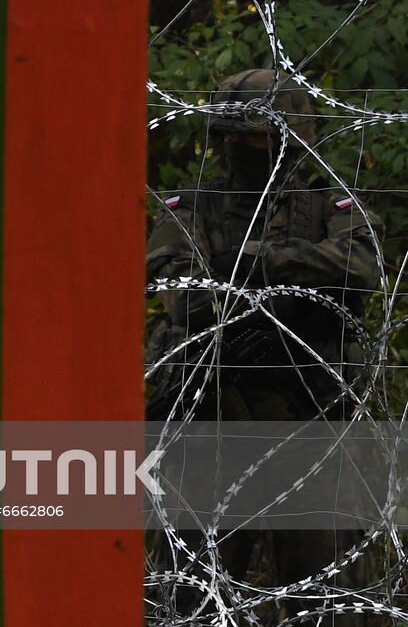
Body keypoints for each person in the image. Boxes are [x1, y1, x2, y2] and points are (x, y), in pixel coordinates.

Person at [144, 68, 384, 624]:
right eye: (227, 136)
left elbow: (363, 270)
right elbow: (186, 299)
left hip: (310, 418)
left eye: (251, 137)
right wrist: (295, 297)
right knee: (196, 594)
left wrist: (270, 262)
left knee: (324, 593)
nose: (237, 148)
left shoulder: (330, 205)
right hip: (214, 422)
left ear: (287, 138)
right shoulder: (192, 208)